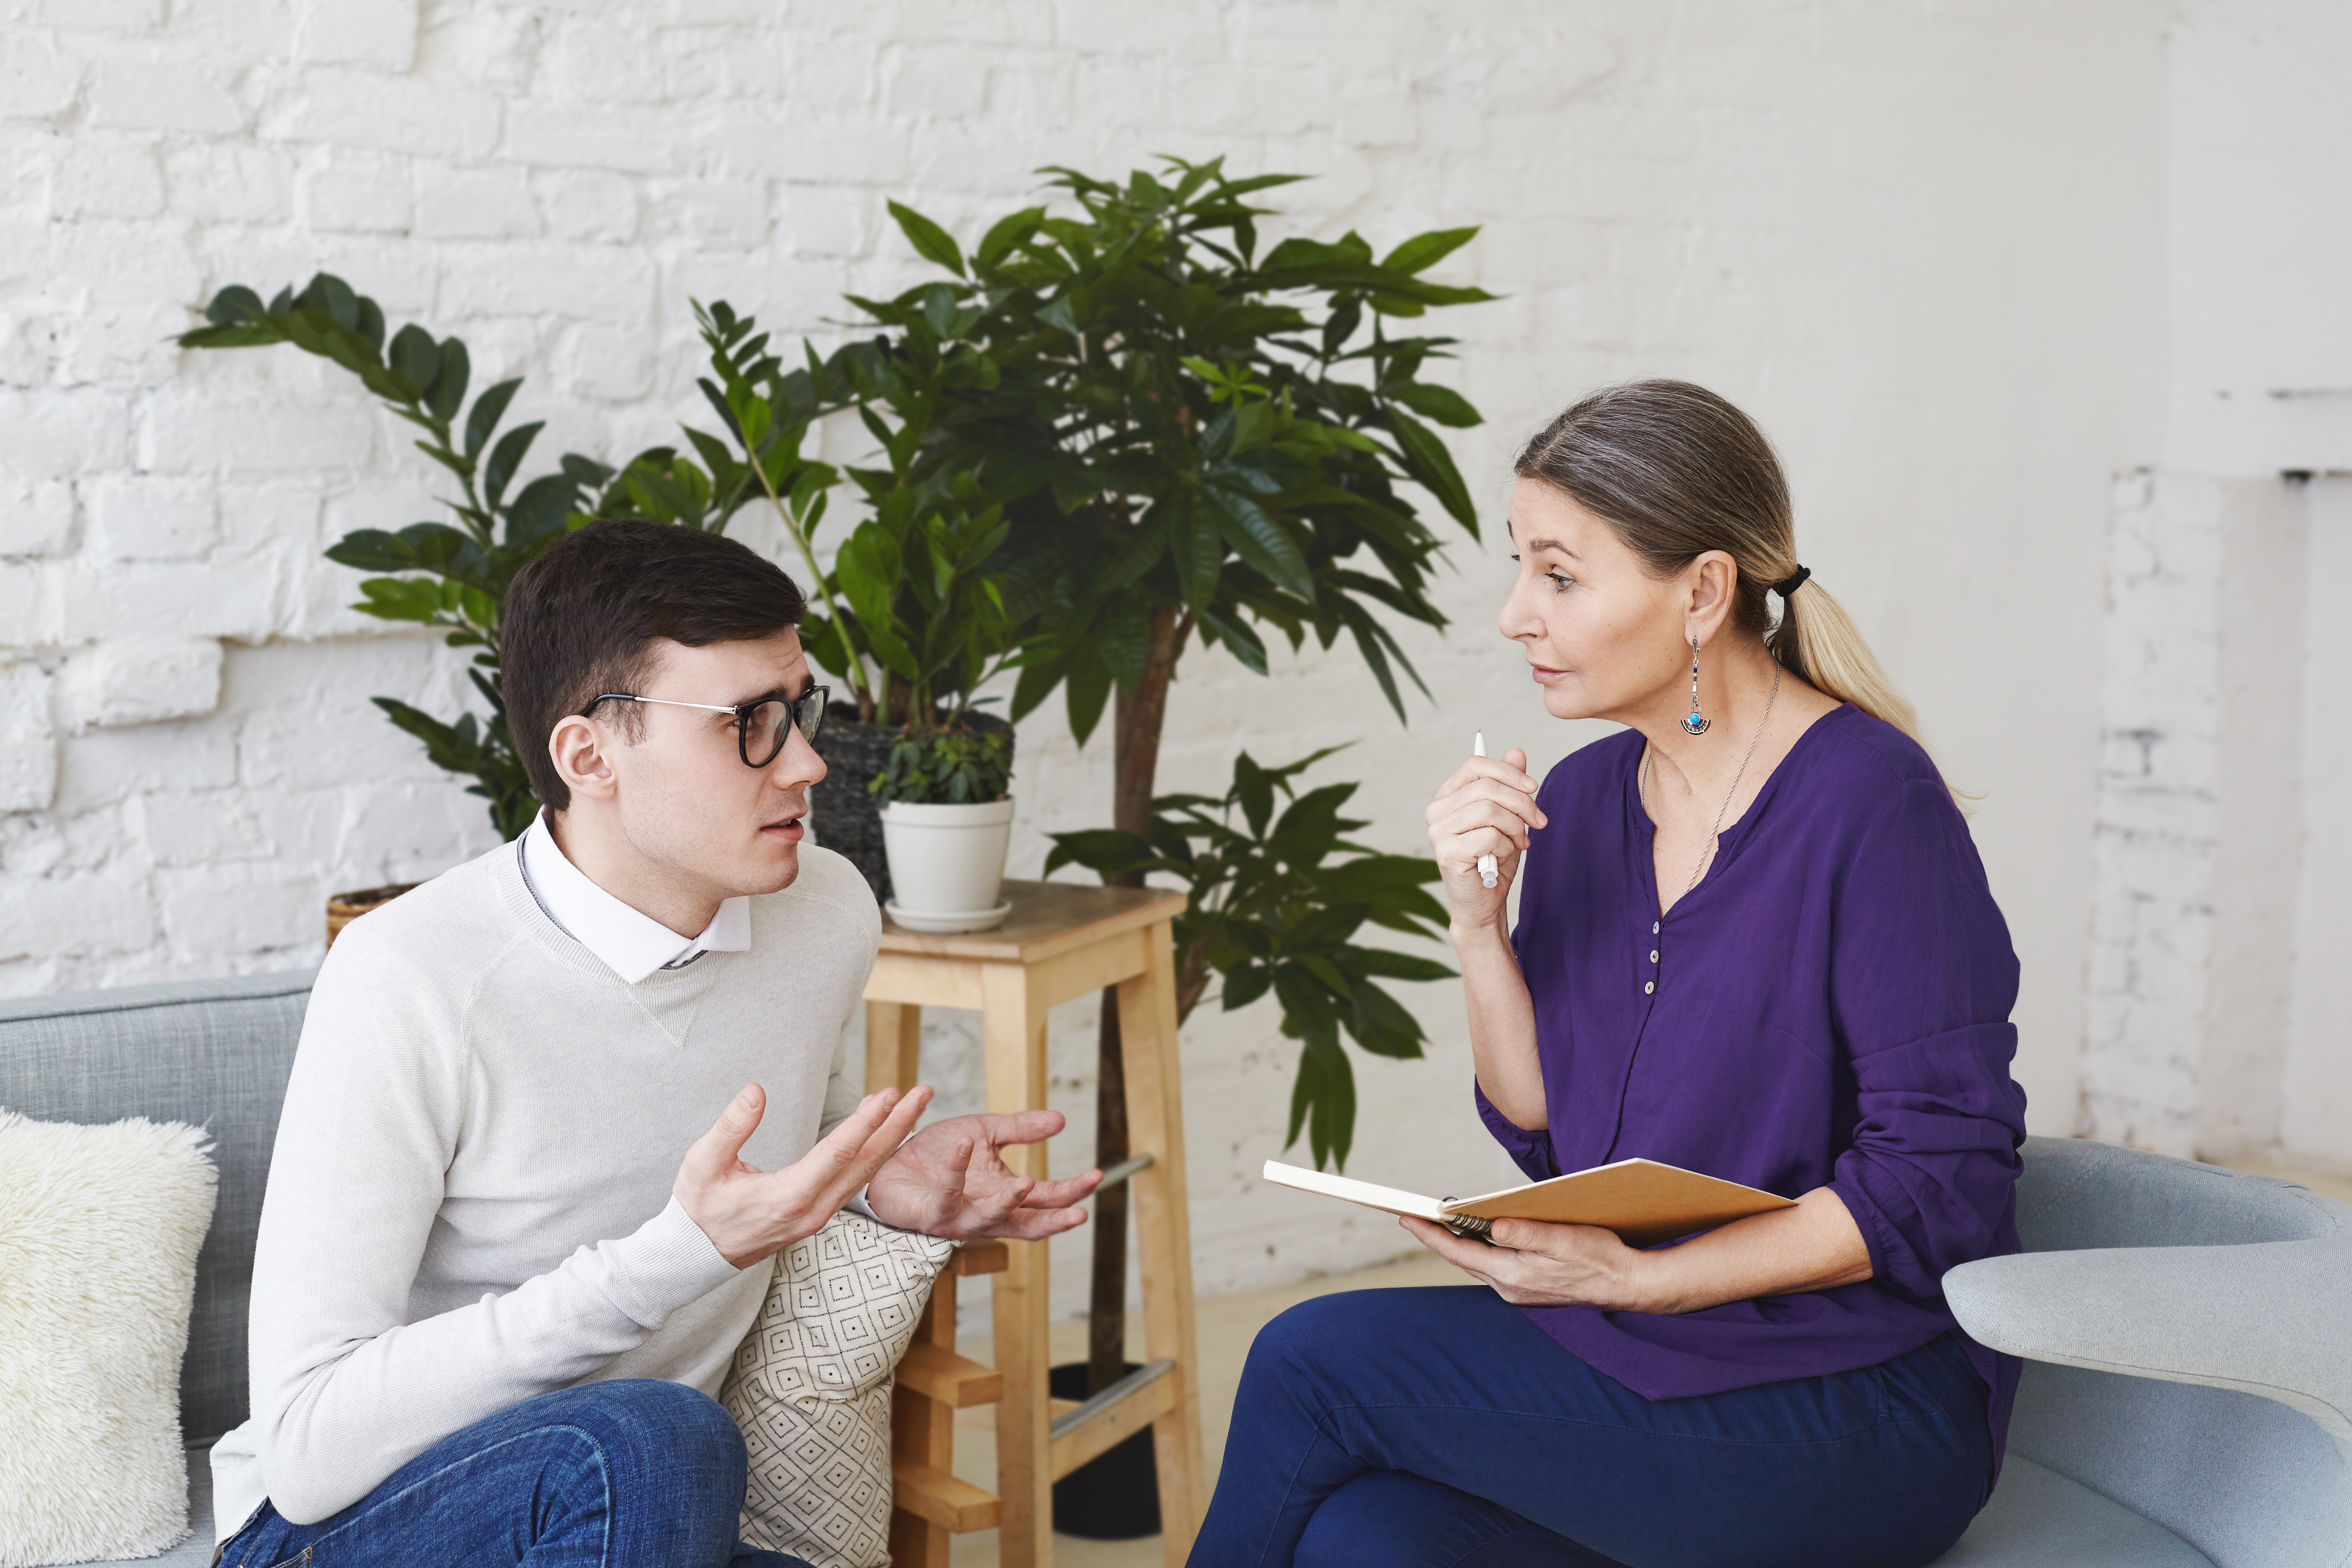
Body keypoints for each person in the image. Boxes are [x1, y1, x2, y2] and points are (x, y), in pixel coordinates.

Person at [1191, 381, 2027, 1568]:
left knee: (1308, 1355)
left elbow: (1937, 1173)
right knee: (1365, 1536)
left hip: (1857, 1397)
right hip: (1645, 1348)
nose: (1512, 614)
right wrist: (1477, 927)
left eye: (1558, 575)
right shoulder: (1578, 804)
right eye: (1519, 568)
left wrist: (1644, 1281)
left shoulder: (1869, 804)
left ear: (1699, 591)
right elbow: (1545, 1129)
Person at [211, 520, 1101, 1567]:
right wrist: (672, 1259)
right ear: (590, 755)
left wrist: (876, 1187)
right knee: (649, 1433)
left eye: (801, 709)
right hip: (353, 1525)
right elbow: (311, 1446)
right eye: (748, 724)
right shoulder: (410, 976)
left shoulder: (823, 912)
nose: (808, 762)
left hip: (652, 1523)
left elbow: (765, 1140)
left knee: (663, 1457)